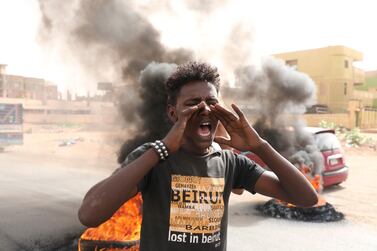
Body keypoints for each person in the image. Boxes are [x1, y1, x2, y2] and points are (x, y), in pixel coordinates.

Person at [78, 61, 318, 251]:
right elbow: (89, 214)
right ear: (173, 113)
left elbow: (306, 198)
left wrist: (259, 146)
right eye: (193, 103)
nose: (204, 108)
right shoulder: (153, 158)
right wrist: (161, 148)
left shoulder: (230, 163)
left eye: (211, 102)